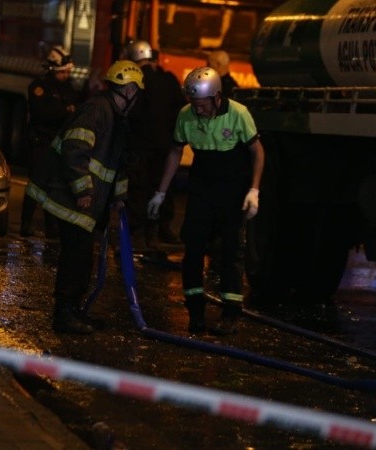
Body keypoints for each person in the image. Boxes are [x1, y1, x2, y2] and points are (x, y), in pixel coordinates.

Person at [26, 60, 145, 334]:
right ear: (128, 90)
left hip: (90, 203)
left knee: (81, 257)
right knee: (76, 258)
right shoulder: (98, 110)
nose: (137, 98)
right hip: (75, 200)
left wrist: (119, 197)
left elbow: (117, 165)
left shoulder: (115, 116)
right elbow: (74, 150)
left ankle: (74, 311)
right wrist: (83, 190)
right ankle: (64, 315)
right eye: (136, 92)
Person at [147, 66, 264, 335]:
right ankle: (196, 312)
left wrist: (254, 190)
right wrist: (161, 192)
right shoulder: (185, 116)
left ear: (217, 98)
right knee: (194, 249)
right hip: (201, 190)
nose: (197, 110)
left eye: (201, 104)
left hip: (232, 191)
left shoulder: (238, 114)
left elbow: (258, 152)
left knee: (230, 251)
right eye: (193, 104)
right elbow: (176, 152)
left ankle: (231, 314)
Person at [124, 40, 186, 248]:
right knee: (161, 188)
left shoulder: (137, 80)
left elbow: (132, 112)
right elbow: (180, 108)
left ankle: (136, 233)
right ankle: (160, 229)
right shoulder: (168, 79)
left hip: (140, 146)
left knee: (139, 189)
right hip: (166, 146)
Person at [20, 45, 82, 238]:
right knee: (36, 186)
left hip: (58, 144)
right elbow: (41, 113)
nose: (66, 75)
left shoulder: (67, 87)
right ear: (55, 69)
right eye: (64, 72)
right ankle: (26, 224)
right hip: (41, 142)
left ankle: (51, 227)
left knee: (53, 187)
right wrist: (65, 112)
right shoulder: (39, 87)